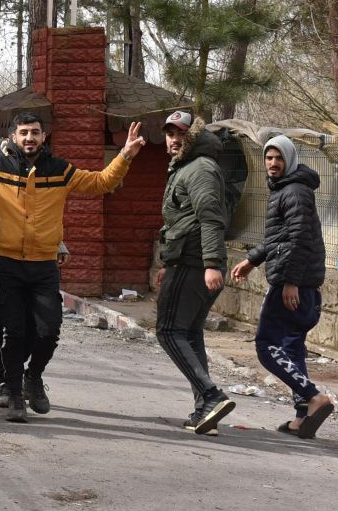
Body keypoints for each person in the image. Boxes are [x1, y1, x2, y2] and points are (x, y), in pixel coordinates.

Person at [0, 107, 145, 422]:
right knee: (14, 333)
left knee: (49, 331)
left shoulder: (59, 170)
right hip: (8, 263)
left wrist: (125, 155)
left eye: (34, 132)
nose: (29, 138)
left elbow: (100, 182)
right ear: (14, 137)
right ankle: (15, 395)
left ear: (43, 136)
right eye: (23, 133)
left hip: (44, 265)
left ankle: (33, 377)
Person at [230, 134, 334, 438]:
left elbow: (299, 238)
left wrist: (291, 282)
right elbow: (279, 237)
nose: (273, 163)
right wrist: (251, 260)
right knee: (291, 348)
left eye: (279, 158)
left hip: (293, 282)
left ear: (290, 160)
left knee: (267, 347)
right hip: (301, 282)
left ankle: (314, 397)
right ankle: (303, 418)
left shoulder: (294, 192)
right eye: (268, 158)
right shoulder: (288, 190)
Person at [153, 109, 236, 435]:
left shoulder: (200, 169)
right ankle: (206, 410)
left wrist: (212, 264)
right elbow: (179, 220)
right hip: (185, 260)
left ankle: (211, 397)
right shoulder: (186, 168)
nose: (173, 140)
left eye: (180, 135)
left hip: (195, 262)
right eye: (170, 134)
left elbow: (211, 218)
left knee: (169, 331)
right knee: (189, 333)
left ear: (194, 138)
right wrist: (166, 263)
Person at [0, 177, 69, 408]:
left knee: (34, 324)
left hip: (33, 258)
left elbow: (46, 215)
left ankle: (26, 377)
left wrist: (58, 244)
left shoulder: (40, 172)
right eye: (21, 137)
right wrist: (6, 215)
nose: (28, 139)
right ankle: (5, 382)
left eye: (35, 137)